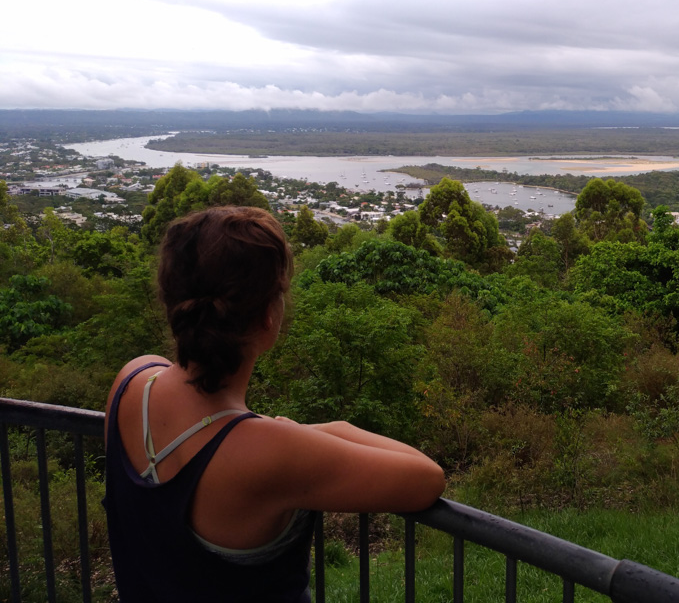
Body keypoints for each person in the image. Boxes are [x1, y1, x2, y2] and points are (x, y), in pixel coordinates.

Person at [103, 206, 445, 602]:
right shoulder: (270, 452)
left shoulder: (132, 383)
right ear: (268, 317)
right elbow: (426, 478)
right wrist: (328, 431)